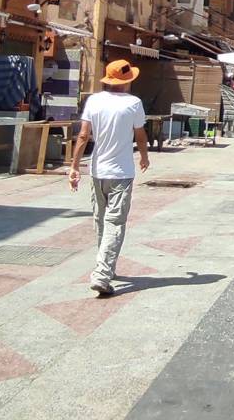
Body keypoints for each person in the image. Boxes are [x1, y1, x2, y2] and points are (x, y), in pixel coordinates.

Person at [68, 59, 151, 297]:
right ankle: (102, 275)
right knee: (115, 222)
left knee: (101, 220)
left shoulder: (94, 100)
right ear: (127, 81)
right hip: (121, 172)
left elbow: (83, 135)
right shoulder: (134, 103)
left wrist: (74, 167)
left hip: (97, 170)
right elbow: (141, 135)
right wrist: (144, 157)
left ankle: (106, 266)